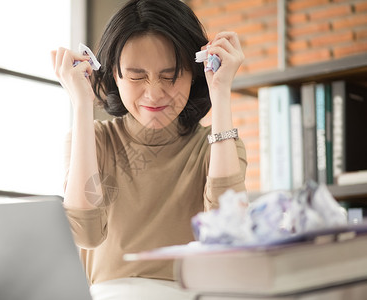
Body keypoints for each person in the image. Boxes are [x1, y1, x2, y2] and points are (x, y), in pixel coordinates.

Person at [51, 0, 247, 298]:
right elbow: (85, 234)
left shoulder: (216, 147)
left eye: (170, 76)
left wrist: (220, 93)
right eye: (136, 76)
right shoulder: (96, 141)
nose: (154, 93)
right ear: (114, 75)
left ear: (195, 72)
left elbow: (230, 233)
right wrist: (81, 105)